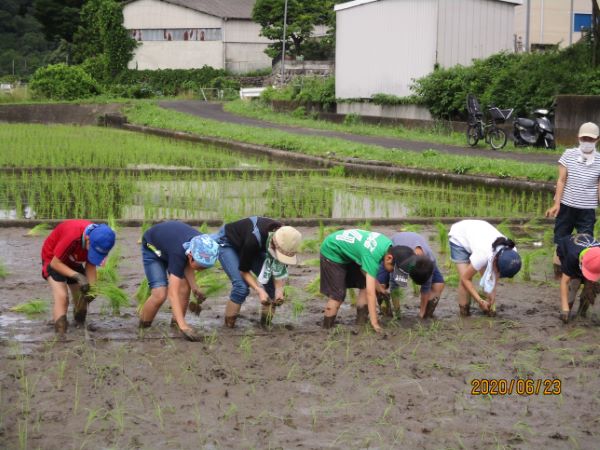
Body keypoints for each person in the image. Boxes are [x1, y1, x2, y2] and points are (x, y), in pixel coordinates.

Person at [320, 229, 434, 332]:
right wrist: (375, 323)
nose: (392, 272)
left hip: (350, 251)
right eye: (393, 269)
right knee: (338, 295)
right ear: (389, 258)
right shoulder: (373, 257)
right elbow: (371, 293)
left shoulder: (388, 246)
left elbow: (366, 272)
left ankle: (361, 323)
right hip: (332, 250)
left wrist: (380, 288)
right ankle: (327, 328)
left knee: (364, 285)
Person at [211, 216, 302, 328]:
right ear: (274, 244)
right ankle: (229, 327)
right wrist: (259, 290)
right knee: (241, 287)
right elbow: (243, 271)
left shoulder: (287, 240)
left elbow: (279, 270)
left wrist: (279, 289)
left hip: (251, 246)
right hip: (228, 242)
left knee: (272, 287)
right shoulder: (253, 239)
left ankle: (265, 326)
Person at [139, 221, 219, 341]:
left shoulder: (202, 244)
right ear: (191, 256)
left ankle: (175, 325)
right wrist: (185, 326)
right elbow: (172, 293)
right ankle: (143, 328)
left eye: (205, 267)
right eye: (201, 267)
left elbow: (187, 264)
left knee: (185, 288)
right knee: (159, 294)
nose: (202, 270)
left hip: (171, 246)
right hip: (154, 249)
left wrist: (194, 287)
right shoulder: (180, 252)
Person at [41, 220, 116, 336]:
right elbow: (55, 264)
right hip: (53, 259)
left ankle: (80, 325)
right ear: (87, 239)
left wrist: (92, 290)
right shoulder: (72, 236)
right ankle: (60, 335)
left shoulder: (101, 241)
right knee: (62, 297)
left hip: (73, 260)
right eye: (93, 251)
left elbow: (91, 266)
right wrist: (78, 276)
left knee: (81, 296)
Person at [546, 122, 600, 276]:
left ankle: (583, 274)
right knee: (561, 240)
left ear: (597, 140)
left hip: (587, 210)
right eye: (584, 138)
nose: (587, 142)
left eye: (591, 139)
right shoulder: (569, 155)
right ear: (578, 138)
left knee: (586, 242)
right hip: (566, 206)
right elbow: (561, 180)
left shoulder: (599, 160)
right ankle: (558, 274)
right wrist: (556, 204)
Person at [448, 220, 521, 317]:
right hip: (460, 236)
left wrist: (493, 293)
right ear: (495, 260)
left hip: (480, 234)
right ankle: (464, 314)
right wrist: (479, 300)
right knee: (466, 279)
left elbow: (495, 275)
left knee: (489, 281)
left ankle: (489, 308)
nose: (499, 274)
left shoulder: (512, 252)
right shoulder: (483, 254)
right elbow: (465, 279)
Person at [376, 231, 445, 319]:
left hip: (417, 247)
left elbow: (426, 288)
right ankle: (387, 315)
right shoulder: (400, 260)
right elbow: (394, 287)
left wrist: (421, 314)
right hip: (393, 252)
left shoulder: (428, 263)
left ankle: (426, 315)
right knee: (380, 286)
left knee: (438, 285)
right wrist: (398, 315)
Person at [556, 233, 600, 323]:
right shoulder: (572, 256)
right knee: (574, 285)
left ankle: (582, 312)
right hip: (567, 251)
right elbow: (564, 282)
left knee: (590, 289)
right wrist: (565, 308)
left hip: (589, 259)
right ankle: (568, 310)